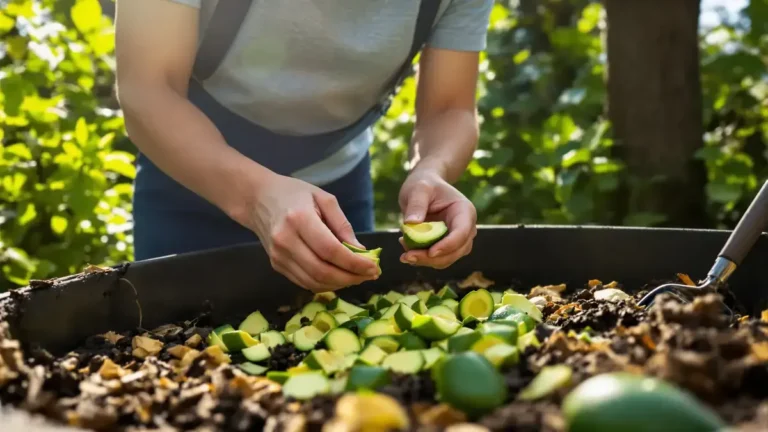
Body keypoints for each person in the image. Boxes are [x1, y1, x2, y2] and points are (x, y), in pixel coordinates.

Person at [114, 0, 493, 292]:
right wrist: (253, 195)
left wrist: (433, 169)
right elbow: (148, 90)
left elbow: (450, 108)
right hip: (192, 183)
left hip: (336, 194)